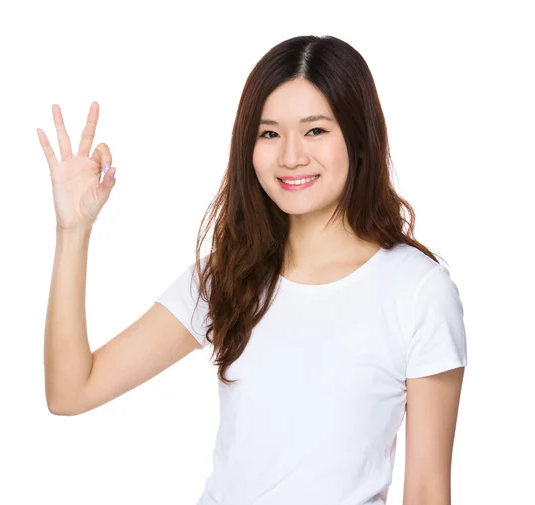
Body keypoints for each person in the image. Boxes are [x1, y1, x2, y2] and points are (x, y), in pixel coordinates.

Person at [39, 35, 467, 505]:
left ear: (359, 138)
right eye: (268, 133)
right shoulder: (228, 275)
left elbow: (427, 491)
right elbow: (71, 392)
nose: (290, 156)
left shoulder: (417, 290)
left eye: (315, 130)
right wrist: (73, 231)